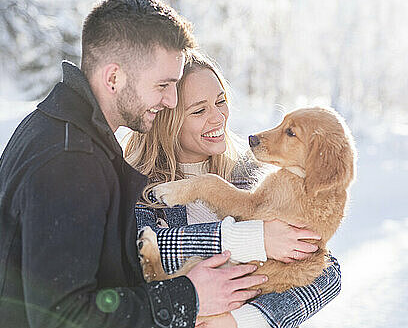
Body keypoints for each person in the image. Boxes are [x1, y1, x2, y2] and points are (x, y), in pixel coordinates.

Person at [0, 0, 267, 328]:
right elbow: (62, 317)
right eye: (163, 85)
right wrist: (188, 297)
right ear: (113, 78)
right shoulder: (70, 159)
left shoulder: (62, 130)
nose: (170, 100)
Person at [124, 50, 342, 328]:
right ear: (168, 120)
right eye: (199, 110)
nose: (218, 118)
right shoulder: (135, 187)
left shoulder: (251, 173)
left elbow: (327, 271)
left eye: (220, 102)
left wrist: (243, 320)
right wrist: (250, 238)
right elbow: (135, 252)